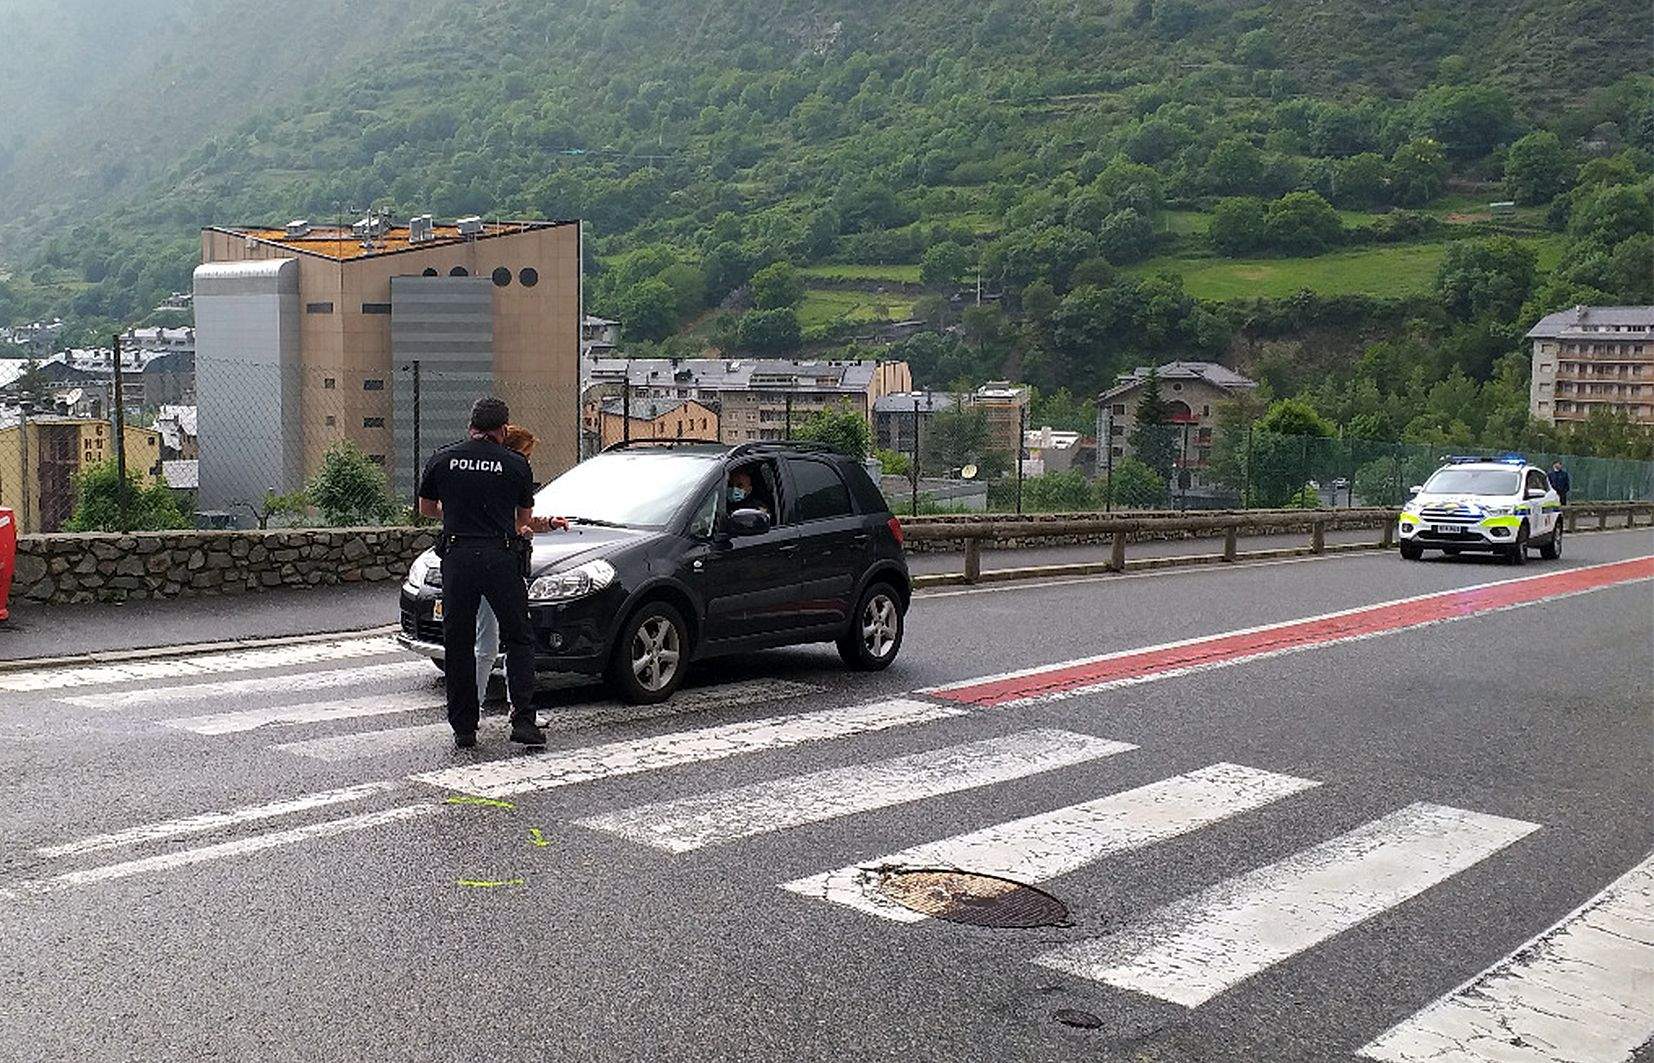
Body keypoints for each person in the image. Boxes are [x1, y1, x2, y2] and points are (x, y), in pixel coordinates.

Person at [418, 398, 562, 749]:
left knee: (459, 641)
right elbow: (524, 519)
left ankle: (464, 727)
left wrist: (457, 513)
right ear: (502, 430)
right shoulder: (515, 464)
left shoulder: (443, 458)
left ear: (471, 426)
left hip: (458, 556)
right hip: (500, 557)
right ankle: (524, 721)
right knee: (518, 638)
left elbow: (426, 509)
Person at [473, 424, 542, 711]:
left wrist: (545, 524)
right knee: (499, 642)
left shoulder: (487, 476)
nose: (528, 460)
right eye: (525, 454)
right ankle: (496, 707)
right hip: (500, 564)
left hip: (485, 561)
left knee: (490, 640)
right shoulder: (512, 476)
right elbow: (514, 523)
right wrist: (528, 529)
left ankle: (474, 707)